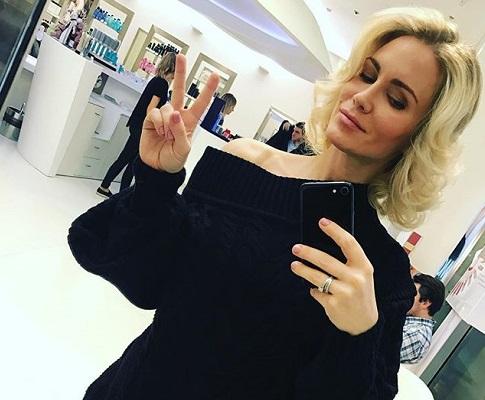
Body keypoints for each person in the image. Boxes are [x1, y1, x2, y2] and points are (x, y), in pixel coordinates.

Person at [68, 7, 481, 399]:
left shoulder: (380, 271)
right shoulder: (243, 163)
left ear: (420, 136)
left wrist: (358, 335)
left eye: (397, 99)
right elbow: (146, 283)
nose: (362, 97)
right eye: (367, 74)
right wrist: (155, 181)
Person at [96, 52, 176, 198]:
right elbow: (151, 109)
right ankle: (107, 188)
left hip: (137, 124)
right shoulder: (162, 84)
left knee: (131, 161)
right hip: (141, 127)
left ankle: (117, 192)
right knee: (128, 160)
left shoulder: (156, 81)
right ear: (172, 68)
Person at [400, 273, 445, 364]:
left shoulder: (418, 335)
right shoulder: (407, 318)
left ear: (425, 303)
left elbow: (377, 348)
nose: (404, 296)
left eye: (411, 294)